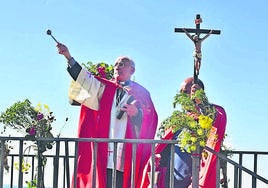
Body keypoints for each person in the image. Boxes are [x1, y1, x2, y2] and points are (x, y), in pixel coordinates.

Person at [56, 43, 158, 188]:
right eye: (116, 64)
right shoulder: (104, 87)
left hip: (126, 156)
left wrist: (136, 113)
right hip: (104, 151)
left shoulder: (141, 93)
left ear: (132, 70)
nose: (117, 66)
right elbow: (85, 79)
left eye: (122, 64)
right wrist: (68, 57)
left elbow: (151, 119)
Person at [144, 77, 226, 188]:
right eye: (181, 92)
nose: (182, 97)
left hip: (194, 181)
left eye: (186, 92)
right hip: (170, 181)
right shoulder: (177, 120)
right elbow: (164, 148)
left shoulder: (212, 113)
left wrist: (202, 103)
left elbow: (216, 123)